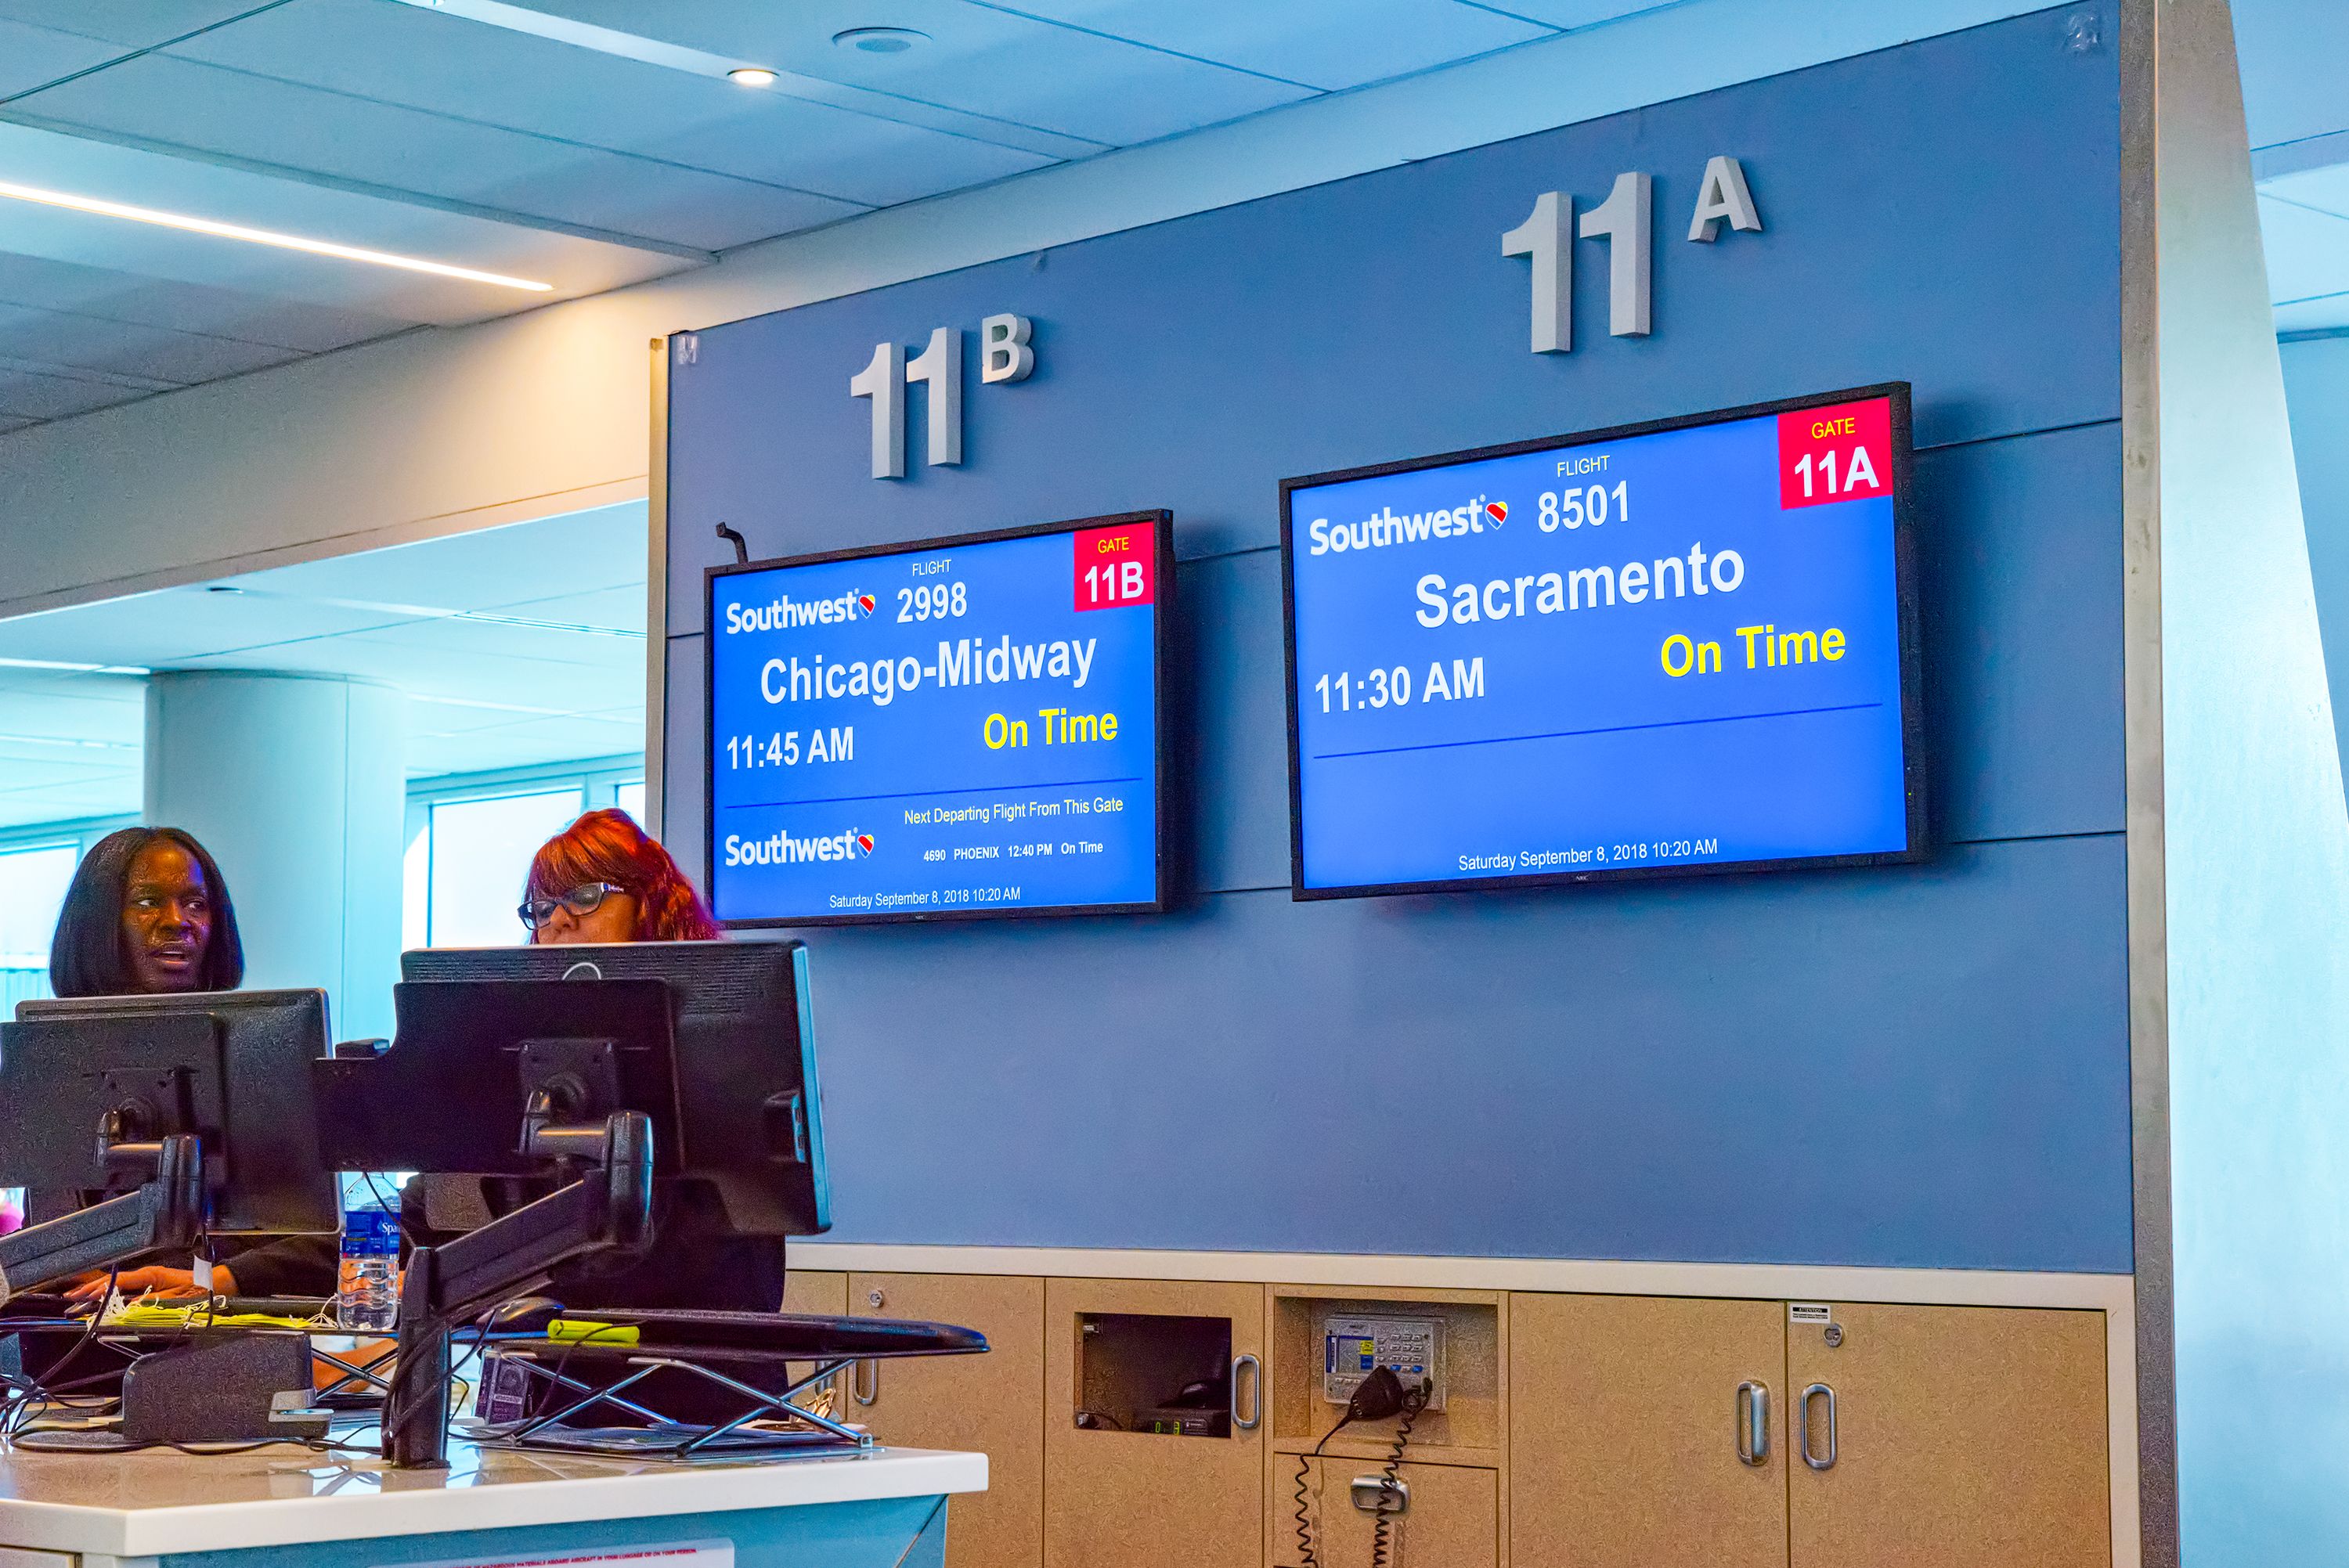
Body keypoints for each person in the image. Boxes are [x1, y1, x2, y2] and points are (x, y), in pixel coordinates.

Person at [405, 809, 780, 1313]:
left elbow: (694, 1256)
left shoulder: (725, 1052)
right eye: (541, 909)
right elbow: (423, 1213)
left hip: (693, 1373)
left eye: (586, 895)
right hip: (548, 1376)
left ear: (647, 909)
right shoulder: (513, 1061)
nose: (557, 920)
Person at [46, 828, 330, 1300]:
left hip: (221, 1333)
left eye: (196, 904)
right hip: (74, 1329)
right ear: (97, 924)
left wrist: (210, 1282)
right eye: (147, 901)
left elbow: (331, 1240)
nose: (177, 921)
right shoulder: (51, 1067)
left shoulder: (262, 1059)